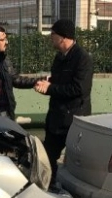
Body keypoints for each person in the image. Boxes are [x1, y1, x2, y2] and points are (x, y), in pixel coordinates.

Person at [34, 19, 93, 187]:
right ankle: (48, 188)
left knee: (75, 162)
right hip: (56, 118)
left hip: (73, 120)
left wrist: (51, 88)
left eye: (53, 34)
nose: (50, 37)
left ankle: (71, 191)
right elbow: (59, 81)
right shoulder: (59, 57)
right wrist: (47, 82)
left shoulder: (83, 59)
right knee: (47, 158)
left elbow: (78, 88)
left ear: (63, 37)